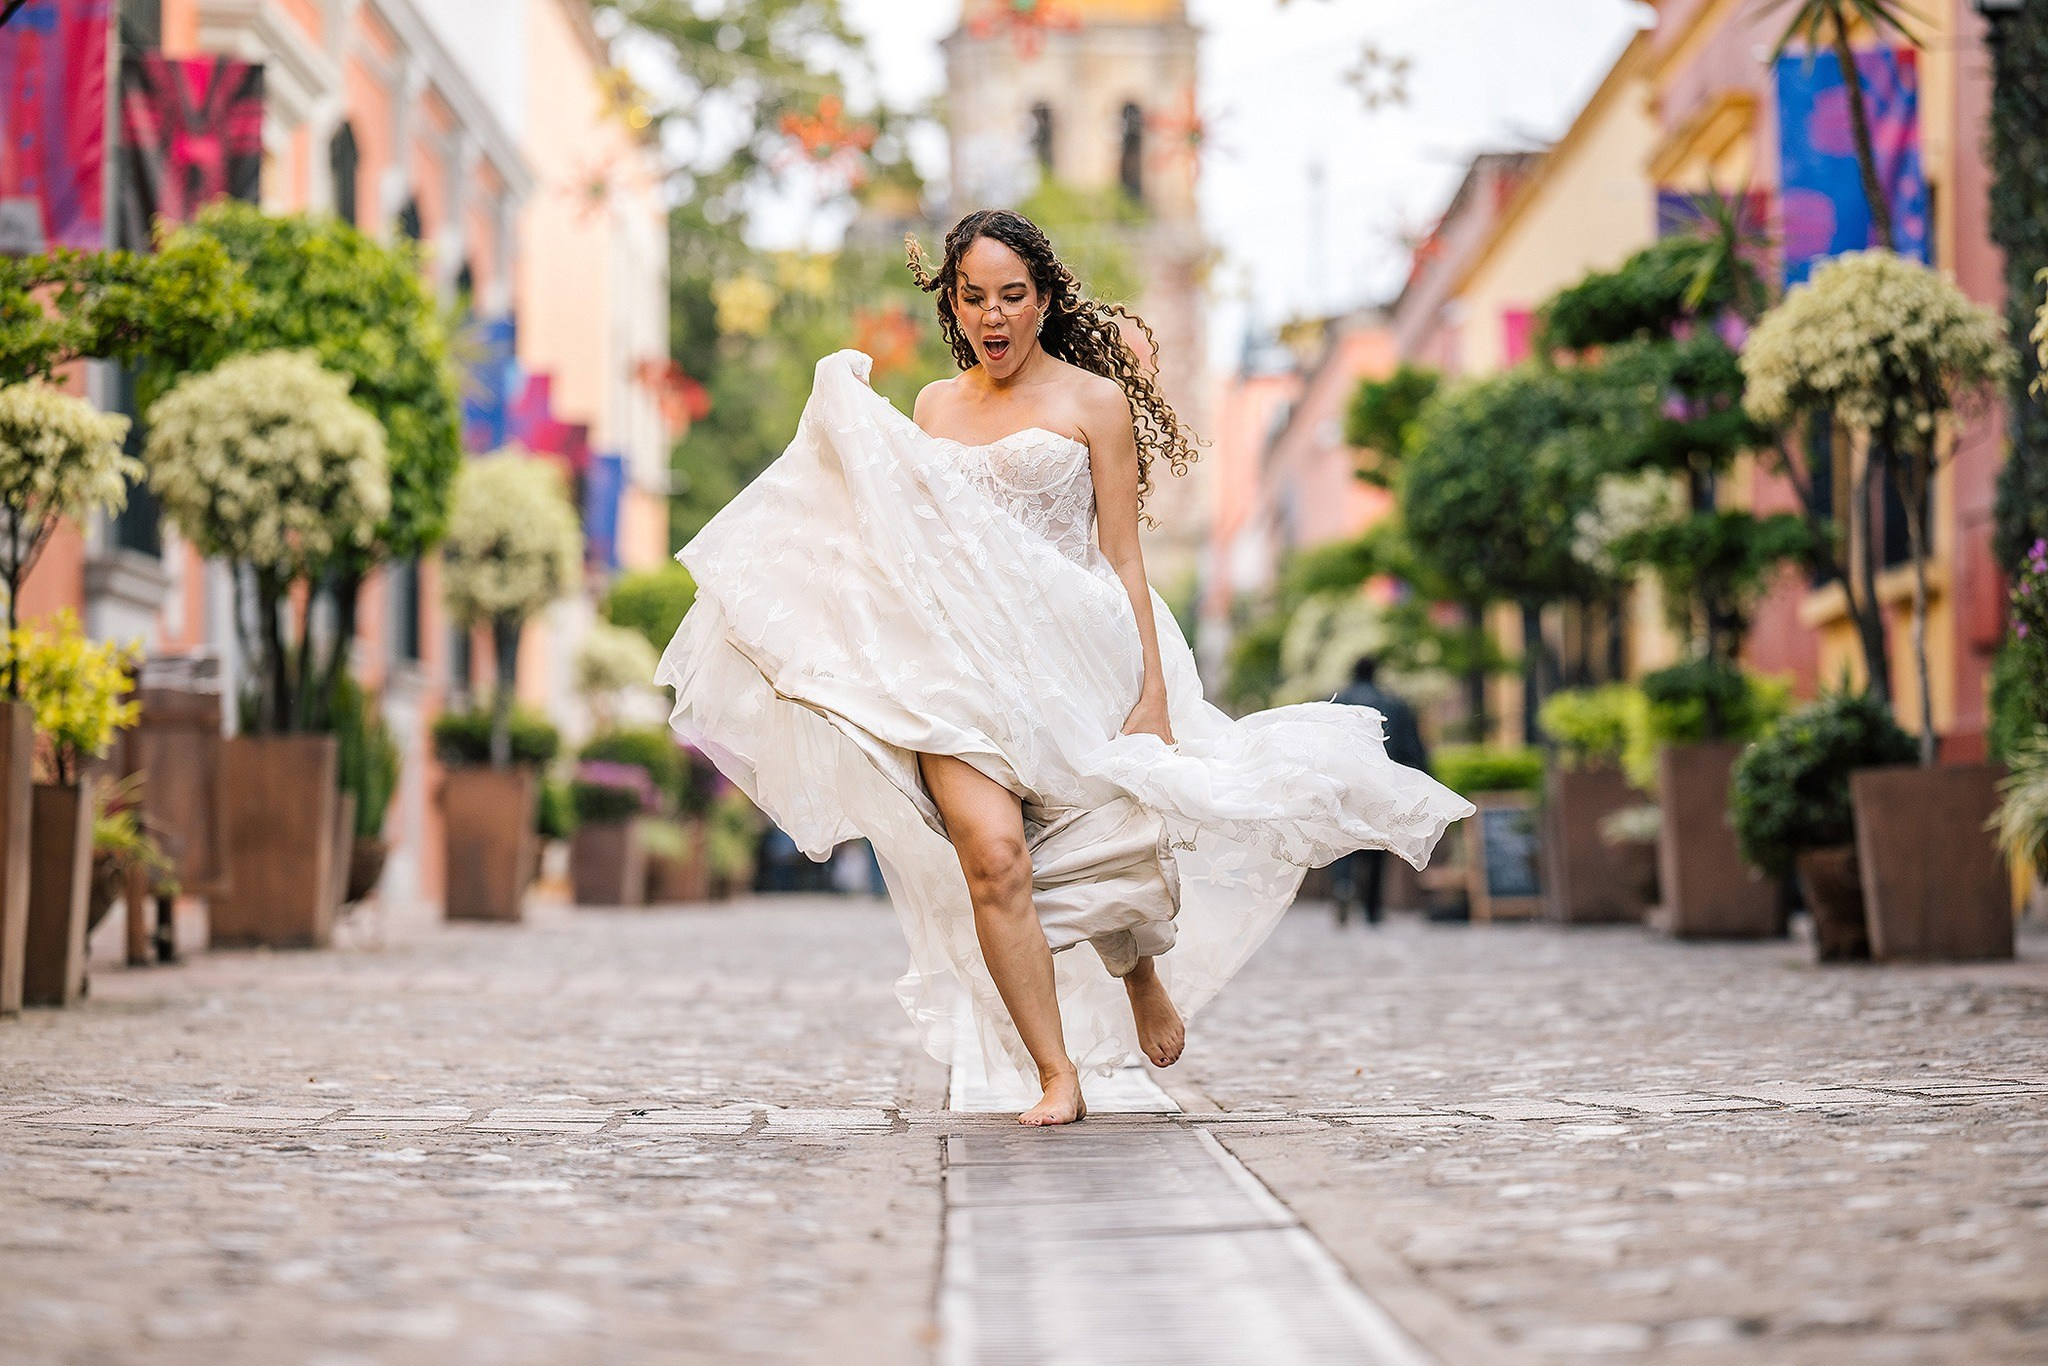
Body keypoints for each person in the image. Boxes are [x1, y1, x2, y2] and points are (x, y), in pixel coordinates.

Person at [658, 208, 1471, 1126]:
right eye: (974, 299)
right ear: (953, 306)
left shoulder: (1095, 403)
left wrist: (1152, 689)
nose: (993, 317)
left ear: (1044, 299)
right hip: (953, 674)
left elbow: (1121, 558)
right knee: (995, 860)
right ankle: (1057, 1072)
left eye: (1012, 296)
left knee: (1106, 831)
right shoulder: (931, 408)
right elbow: (909, 546)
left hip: (1072, 658)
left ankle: (1140, 972)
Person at [1330, 655, 1431, 926]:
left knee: (1344, 838)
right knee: (1377, 843)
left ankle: (1344, 883)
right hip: (1380, 782)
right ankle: (1372, 909)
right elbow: (1413, 748)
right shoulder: (1395, 705)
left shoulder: (1337, 702)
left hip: (1345, 782)